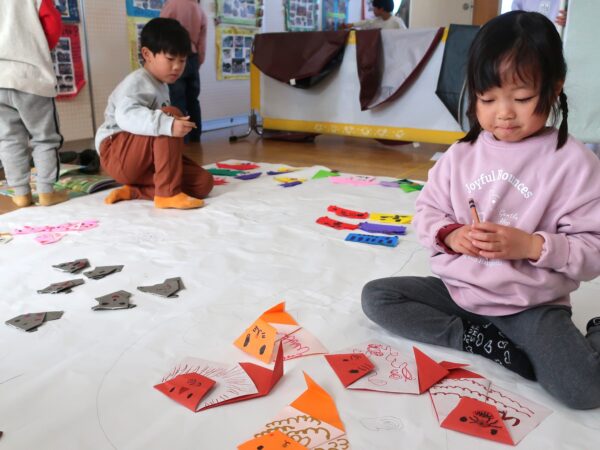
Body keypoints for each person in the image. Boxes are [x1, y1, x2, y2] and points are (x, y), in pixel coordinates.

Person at [362, 11, 600, 410]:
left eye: (521, 98)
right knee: (378, 297)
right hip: (461, 293)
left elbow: (593, 251)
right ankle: (476, 340)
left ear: (554, 87)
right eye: (487, 99)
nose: (503, 113)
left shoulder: (574, 164)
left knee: (584, 390)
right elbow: (428, 212)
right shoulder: (460, 155)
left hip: (530, 305)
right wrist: (451, 235)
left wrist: (532, 246)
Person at [95, 18, 213, 209]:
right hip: (117, 153)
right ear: (147, 54)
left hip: (142, 158)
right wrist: (168, 124)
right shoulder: (137, 81)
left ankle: (136, 190)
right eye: (170, 59)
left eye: (182, 60)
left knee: (202, 183)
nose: (177, 66)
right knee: (170, 116)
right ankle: (167, 194)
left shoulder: (162, 85)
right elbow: (125, 115)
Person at [0, 0, 69, 208]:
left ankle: (20, 193)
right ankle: (46, 191)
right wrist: (39, 47)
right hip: (32, 77)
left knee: (9, 138)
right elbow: (53, 24)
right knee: (44, 137)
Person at [160, 0, 207, 142]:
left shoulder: (171, 5)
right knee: (193, 99)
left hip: (175, 56)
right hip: (192, 57)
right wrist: (198, 60)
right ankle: (195, 135)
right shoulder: (199, 9)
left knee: (177, 99)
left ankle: (182, 138)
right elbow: (202, 41)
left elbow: (160, 32)